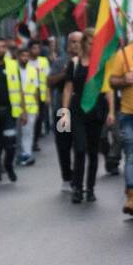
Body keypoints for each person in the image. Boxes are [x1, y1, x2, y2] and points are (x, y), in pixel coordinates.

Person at [66, 27, 109, 204]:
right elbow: (68, 88)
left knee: (93, 152)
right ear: (85, 43)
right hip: (78, 111)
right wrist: (63, 113)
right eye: (91, 43)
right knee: (80, 149)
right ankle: (77, 187)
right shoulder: (75, 63)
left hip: (97, 110)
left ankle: (90, 188)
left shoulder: (101, 64)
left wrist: (112, 112)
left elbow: (107, 90)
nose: (93, 46)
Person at [106, 21, 133, 216]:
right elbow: (112, 81)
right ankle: (131, 196)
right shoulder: (124, 53)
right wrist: (124, 80)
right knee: (132, 154)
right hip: (129, 113)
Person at [47, 34, 77, 193]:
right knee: (64, 145)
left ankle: (78, 178)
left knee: (80, 146)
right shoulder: (60, 61)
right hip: (62, 111)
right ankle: (66, 177)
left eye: (78, 42)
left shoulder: (87, 61)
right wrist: (65, 74)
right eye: (72, 41)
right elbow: (49, 81)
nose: (75, 45)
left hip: (80, 111)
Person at [17, 46, 40, 166]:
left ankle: (27, 153)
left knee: (29, 132)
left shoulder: (32, 70)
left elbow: (36, 89)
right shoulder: (15, 70)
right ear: (18, 57)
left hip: (31, 107)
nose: (25, 58)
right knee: (19, 133)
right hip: (18, 107)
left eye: (26, 56)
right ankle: (20, 154)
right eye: (22, 56)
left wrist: (37, 106)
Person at [33, 40, 51, 152]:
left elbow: (48, 79)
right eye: (34, 48)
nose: (36, 50)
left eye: (37, 48)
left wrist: (48, 95)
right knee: (34, 120)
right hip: (30, 96)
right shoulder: (26, 61)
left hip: (42, 94)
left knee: (40, 119)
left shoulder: (43, 61)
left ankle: (35, 141)